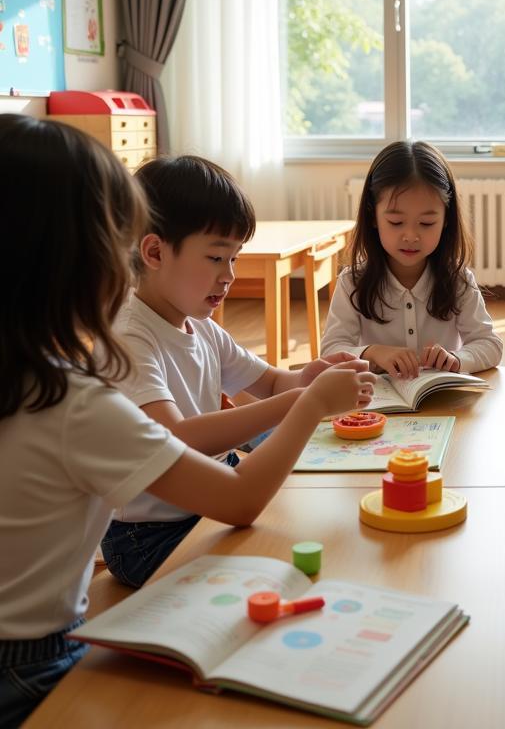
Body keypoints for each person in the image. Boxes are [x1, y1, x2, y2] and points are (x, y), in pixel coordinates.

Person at [0, 115, 374, 726]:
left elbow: (264, 387)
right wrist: (307, 403)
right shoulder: (74, 396)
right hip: (32, 661)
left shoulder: (43, 373)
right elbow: (240, 499)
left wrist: (303, 383)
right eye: (112, 241)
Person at [101, 155, 362, 588]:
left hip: (205, 499)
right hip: (146, 535)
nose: (230, 276)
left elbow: (272, 382)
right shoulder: (130, 337)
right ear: (154, 252)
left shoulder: (200, 327)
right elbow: (175, 438)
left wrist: (308, 378)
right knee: (275, 561)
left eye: (235, 258)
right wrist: (303, 402)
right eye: (216, 258)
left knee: (304, 523)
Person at [320, 140, 502, 377]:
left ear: (446, 220)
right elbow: (331, 352)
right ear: (373, 216)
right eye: (396, 222)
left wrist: (457, 359)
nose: (411, 236)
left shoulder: (458, 280)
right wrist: (372, 353)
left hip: (444, 401)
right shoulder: (353, 282)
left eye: (426, 223)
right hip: (378, 405)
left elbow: (490, 345)